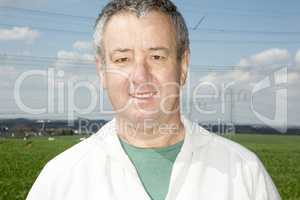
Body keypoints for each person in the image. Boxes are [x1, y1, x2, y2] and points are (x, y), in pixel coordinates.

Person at [26, 0, 281, 199]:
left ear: (183, 65)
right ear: (102, 71)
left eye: (157, 57)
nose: (140, 76)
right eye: (122, 59)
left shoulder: (245, 172)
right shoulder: (59, 179)